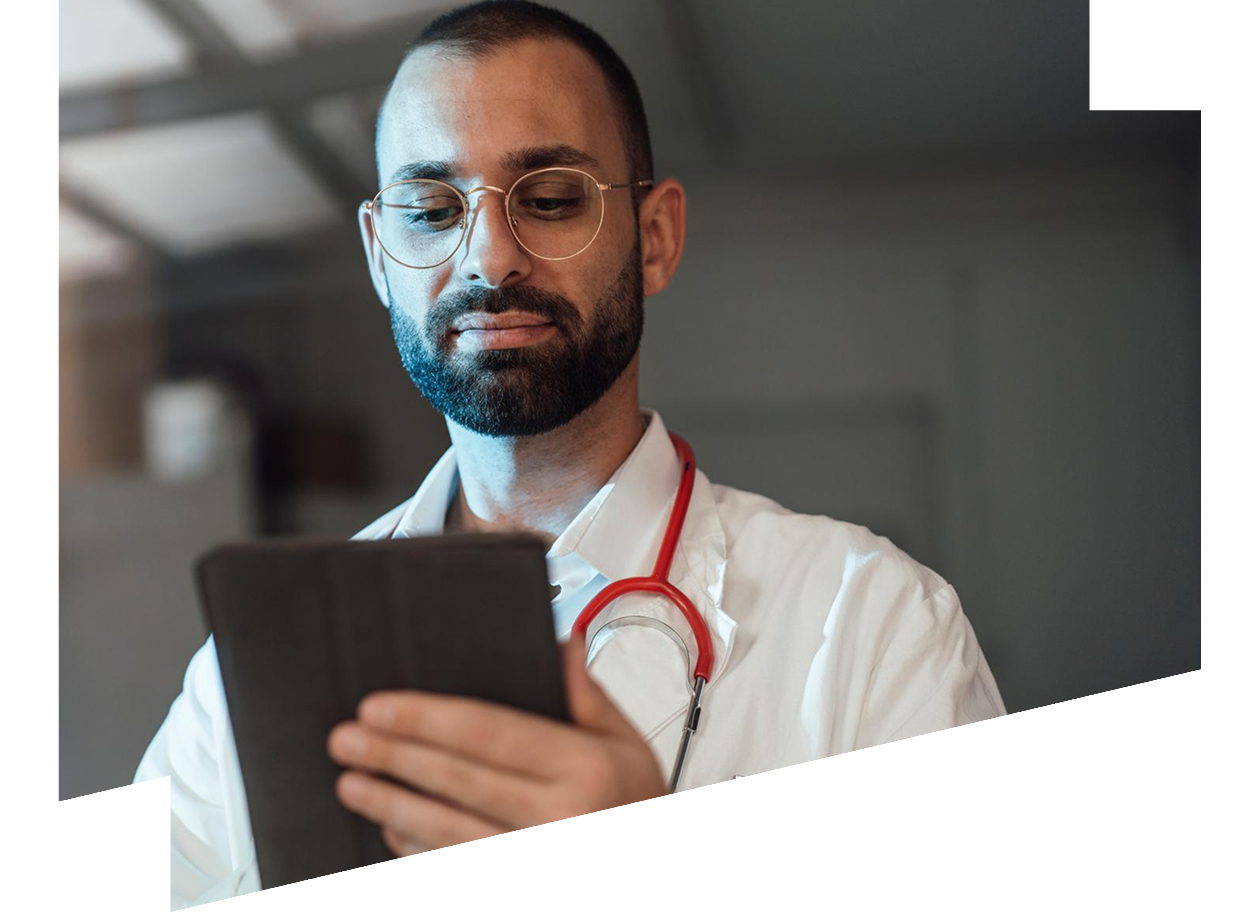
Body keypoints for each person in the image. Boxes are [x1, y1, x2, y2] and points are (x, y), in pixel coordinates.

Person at [134, 0, 1006, 904]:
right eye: (431, 209)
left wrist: (666, 861)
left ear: (655, 238)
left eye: (550, 200)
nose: (489, 258)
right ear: (379, 256)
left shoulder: (873, 621)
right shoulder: (249, 672)